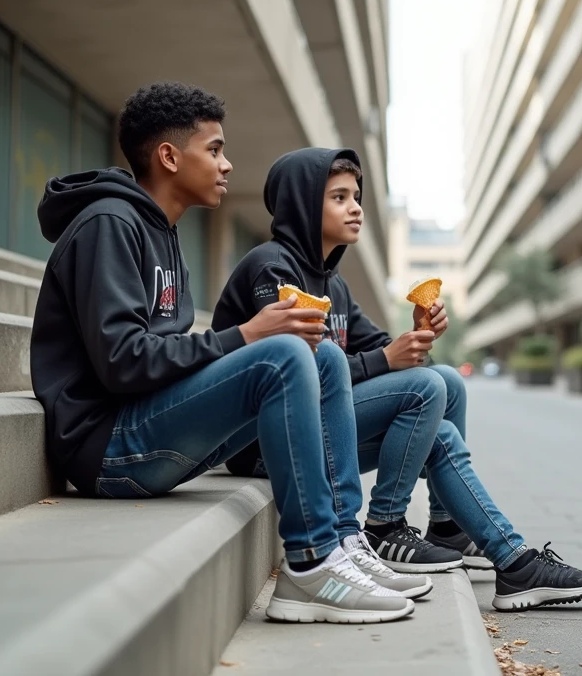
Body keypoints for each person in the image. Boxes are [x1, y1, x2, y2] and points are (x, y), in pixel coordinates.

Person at [30, 82, 413, 624]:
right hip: (109, 447)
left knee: (321, 355)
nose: (227, 165)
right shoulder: (108, 225)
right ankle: (309, 563)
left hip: (149, 425)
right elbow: (122, 362)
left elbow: (164, 352)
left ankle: (342, 542)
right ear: (169, 156)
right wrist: (246, 335)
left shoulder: (161, 231)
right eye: (214, 149)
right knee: (282, 352)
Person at [212, 148, 582, 611]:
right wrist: (386, 358)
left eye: (356, 196)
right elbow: (302, 372)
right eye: (339, 197)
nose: (356, 207)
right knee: (428, 388)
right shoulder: (272, 267)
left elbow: (379, 348)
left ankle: (465, 536)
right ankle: (385, 527)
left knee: (445, 383)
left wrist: (420, 333)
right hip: (266, 443)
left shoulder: (333, 282)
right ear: (302, 204)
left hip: (320, 429)